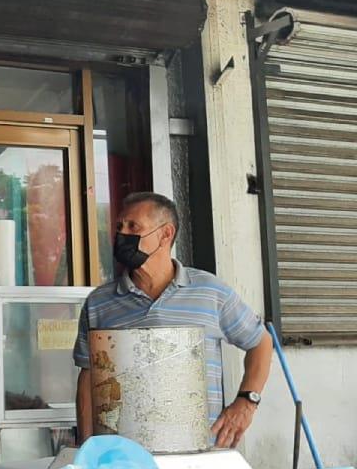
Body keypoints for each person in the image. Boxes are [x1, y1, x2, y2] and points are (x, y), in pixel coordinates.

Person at [73, 192, 273, 448]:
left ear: (166, 234)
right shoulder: (99, 302)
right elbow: (89, 377)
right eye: (119, 227)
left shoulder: (210, 292)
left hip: (198, 454)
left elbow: (261, 342)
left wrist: (247, 402)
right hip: (123, 461)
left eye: (133, 227)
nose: (122, 235)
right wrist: (86, 448)